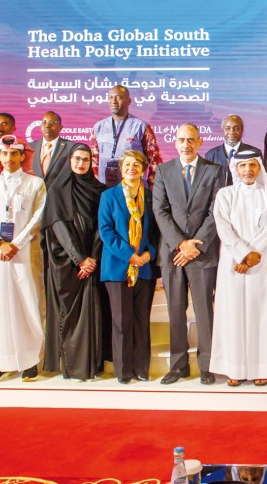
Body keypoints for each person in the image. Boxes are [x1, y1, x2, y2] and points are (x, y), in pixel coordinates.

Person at [153, 124, 223, 386]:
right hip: (173, 254)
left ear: (200, 141)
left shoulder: (214, 171)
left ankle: (207, 365)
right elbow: (160, 211)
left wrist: (195, 246)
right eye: (181, 139)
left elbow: (216, 211)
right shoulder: (163, 170)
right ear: (175, 142)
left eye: (191, 140)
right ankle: (178, 365)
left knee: (205, 312)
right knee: (175, 310)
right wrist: (180, 244)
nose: (186, 144)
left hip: (202, 253)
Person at [210, 149, 267, 386]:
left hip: (261, 263)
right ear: (235, 169)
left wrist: (254, 254)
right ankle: (233, 368)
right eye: (243, 166)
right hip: (232, 263)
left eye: (252, 165)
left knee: (261, 314)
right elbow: (223, 228)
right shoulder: (225, 195)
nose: (248, 170)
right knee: (232, 314)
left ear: (259, 168)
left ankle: (261, 366)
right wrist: (243, 254)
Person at [0, 141, 48, 382]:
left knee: (27, 301)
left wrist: (15, 244)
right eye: (4, 154)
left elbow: (37, 218)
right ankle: (1, 361)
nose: (8, 158)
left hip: (24, 252)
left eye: (14, 154)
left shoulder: (35, 183)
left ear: (22, 156)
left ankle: (30, 361)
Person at [41, 144, 106, 381]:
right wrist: (79, 259)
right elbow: (57, 225)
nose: (80, 163)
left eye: (85, 160)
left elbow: (103, 227)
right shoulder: (57, 190)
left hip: (92, 259)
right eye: (77, 159)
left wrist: (93, 258)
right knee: (67, 313)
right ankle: (70, 367)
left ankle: (91, 364)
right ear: (69, 161)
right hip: (67, 262)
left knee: (92, 312)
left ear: (91, 162)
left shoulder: (100, 190)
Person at [98, 149, 159, 384]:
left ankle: (142, 368)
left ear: (143, 169)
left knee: (142, 319)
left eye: (136, 164)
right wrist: (129, 255)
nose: (131, 168)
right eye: (127, 165)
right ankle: (123, 370)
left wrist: (147, 254)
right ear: (121, 169)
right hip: (117, 267)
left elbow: (156, 232)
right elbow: (106, 231)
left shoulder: (152, 197)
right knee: (122, 321)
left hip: (144, 267)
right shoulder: (109, 196)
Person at [90, 85, 163, 186]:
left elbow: (155, 161)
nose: (113, 101)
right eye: (110, 98)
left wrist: (152, 190)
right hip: (104, 189)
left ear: (128, 101)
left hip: (134, 189)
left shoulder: (141, 127)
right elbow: (94, 161)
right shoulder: (98, 127)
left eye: (118, 97)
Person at [205, 114, 262, 186]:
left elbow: (261, 181)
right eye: (227, 128)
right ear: (223, 130)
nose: (232, 132)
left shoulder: (254, 153)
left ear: (242, 131)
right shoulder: (210, 155)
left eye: (236, 128)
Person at [30, 111, 77, 185]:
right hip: (34, 194)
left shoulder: (71, 147)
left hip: (59, 195)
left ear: (61, 128)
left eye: (51, 122)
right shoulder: (30, 147)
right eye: (44, 123)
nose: (47, 126)